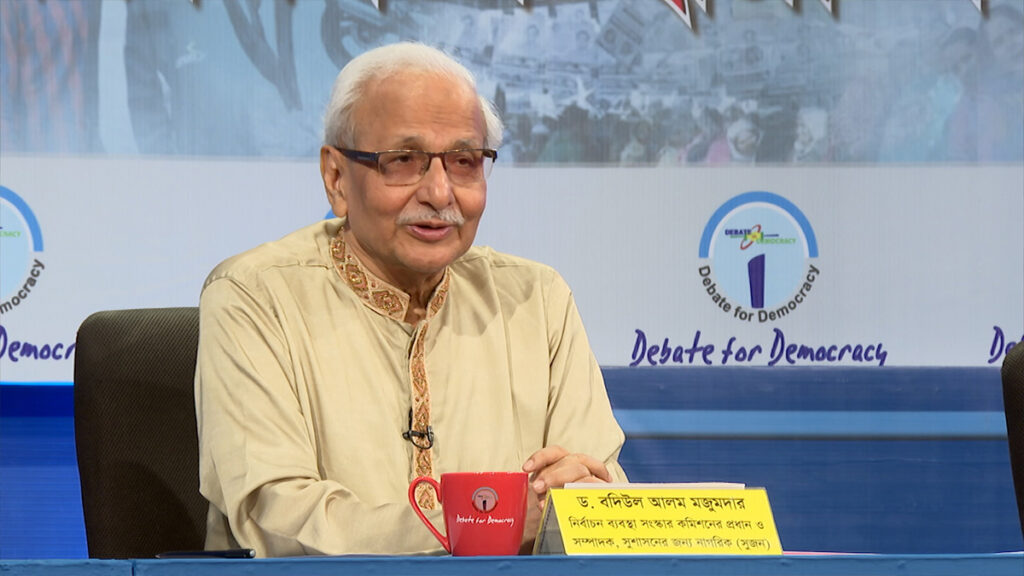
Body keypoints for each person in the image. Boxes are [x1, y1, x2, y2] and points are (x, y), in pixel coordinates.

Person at [194, 42, 627, 557]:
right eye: (403, 161)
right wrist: (493, 520)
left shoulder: (537, 300)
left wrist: (582, 502)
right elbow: (277, 523)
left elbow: (598, 497)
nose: (440, 193)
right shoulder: (254, 296)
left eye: (464, 162)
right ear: (336, 178)